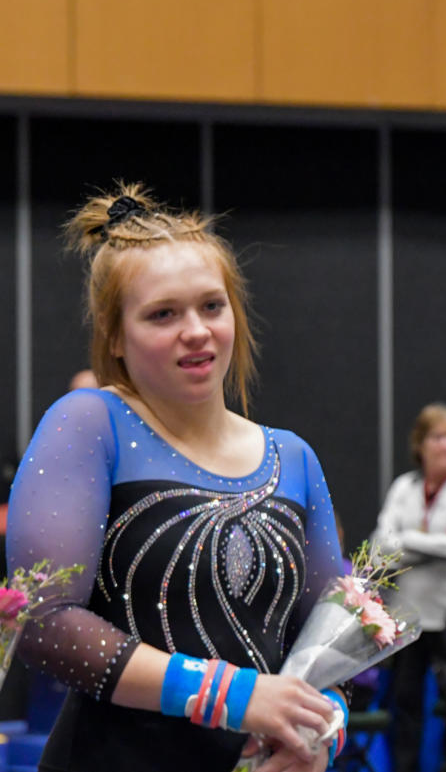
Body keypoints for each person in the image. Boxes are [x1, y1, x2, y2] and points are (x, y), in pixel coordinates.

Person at [8, 184, 342, 772]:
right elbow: (42, 620)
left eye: (212, 306)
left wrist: (318, 731)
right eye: (163, 313)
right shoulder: (92, 423)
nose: (196, 330)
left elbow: (328, 644)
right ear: (116, 335)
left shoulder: (293, 458)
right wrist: (236, 698)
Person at [373, 402, 446, 772]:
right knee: (404, 704)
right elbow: (380, 546)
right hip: (404, 614)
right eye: (439, 437)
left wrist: (404, 543)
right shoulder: (403, 487)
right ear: (420, 443)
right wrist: (429, 543)